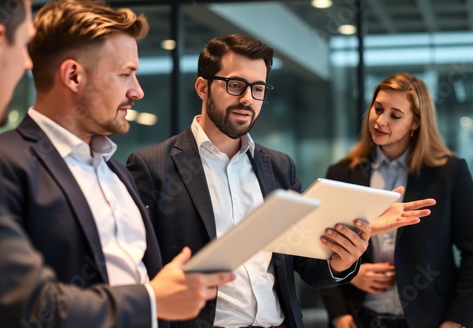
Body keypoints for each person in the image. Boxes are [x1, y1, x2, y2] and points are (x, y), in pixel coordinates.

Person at [126, 35, 435, 328]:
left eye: (258, 88)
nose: (248, 98)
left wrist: (342, 260)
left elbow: (305, 265)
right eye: (235, 85)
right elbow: (137, 273)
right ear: (202, 87)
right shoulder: (152, 166)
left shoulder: (278, 166)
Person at [0, 0, 233, 327]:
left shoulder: (117, 171)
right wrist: (152, 300)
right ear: (73, 76)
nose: (137, 91)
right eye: (125, 74)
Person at [319, 73, 473, 328]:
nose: (380, 121)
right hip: (358, 319)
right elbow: (320, 246)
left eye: (395, 115)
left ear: (415, 123)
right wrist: (342, 299)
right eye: (378, 109)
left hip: (431, 321)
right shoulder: (342, 173)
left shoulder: (450, 172)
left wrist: (456, 320)